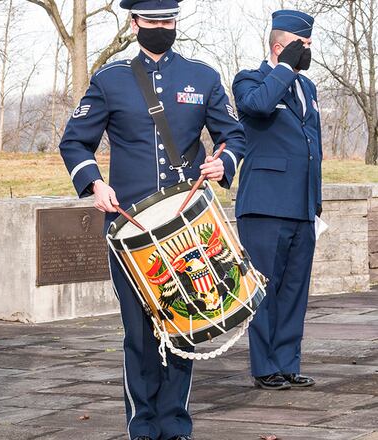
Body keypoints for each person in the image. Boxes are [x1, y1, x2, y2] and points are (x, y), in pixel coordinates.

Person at [58, 1, 247, 439]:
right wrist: (93, 184)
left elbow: (233, 134)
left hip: (188, 224)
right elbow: (75, 142)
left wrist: (225, 163)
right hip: (131, 229)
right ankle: (141, 425)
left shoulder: (202, 76)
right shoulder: (110, 80)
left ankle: (175, 422)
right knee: (140, 333)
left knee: (186, 321)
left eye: (169, 20)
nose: (162, 27)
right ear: (135, 22)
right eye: (153, 20)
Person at [232, 10, 321, 391]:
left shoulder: (309, 89)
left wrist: (315, 203)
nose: (308, 52)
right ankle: (264, 366)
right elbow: (257, 107)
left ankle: (287, 362)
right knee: (264, 290)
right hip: (265, 206)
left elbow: (311, 148)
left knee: (294, 289)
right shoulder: (250, 80)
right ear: (280, 46)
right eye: (304, 46)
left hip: (301, 206)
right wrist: (284, 68)